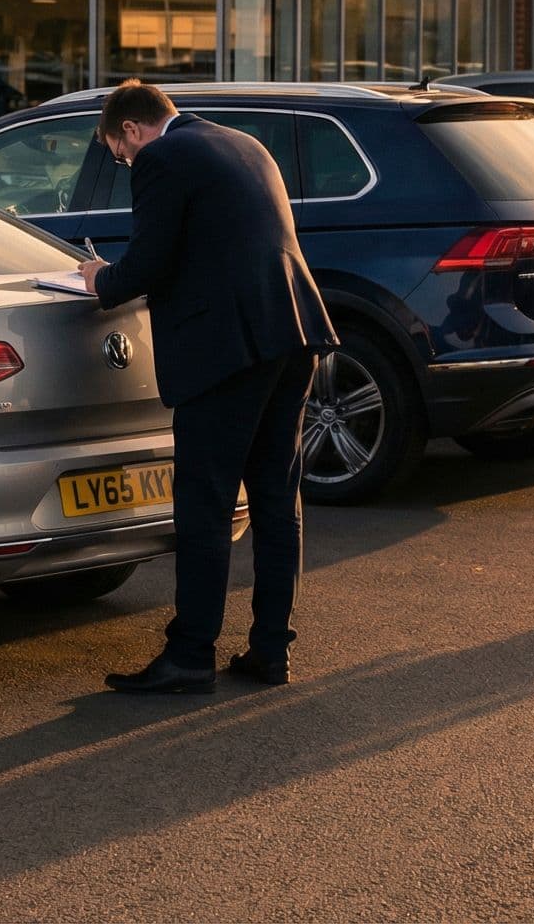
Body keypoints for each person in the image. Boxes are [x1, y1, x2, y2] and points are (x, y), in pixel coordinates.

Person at [77, 80, 337, 694]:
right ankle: (272, 650)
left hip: (225, 351)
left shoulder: (163, 157)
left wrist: (97, 278)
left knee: (205, 503)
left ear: (132, 130)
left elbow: (148, 263)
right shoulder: (244, 144)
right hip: (292, 332)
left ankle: (191, 654)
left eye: (119, 153)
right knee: (277, 499)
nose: (125, 162)